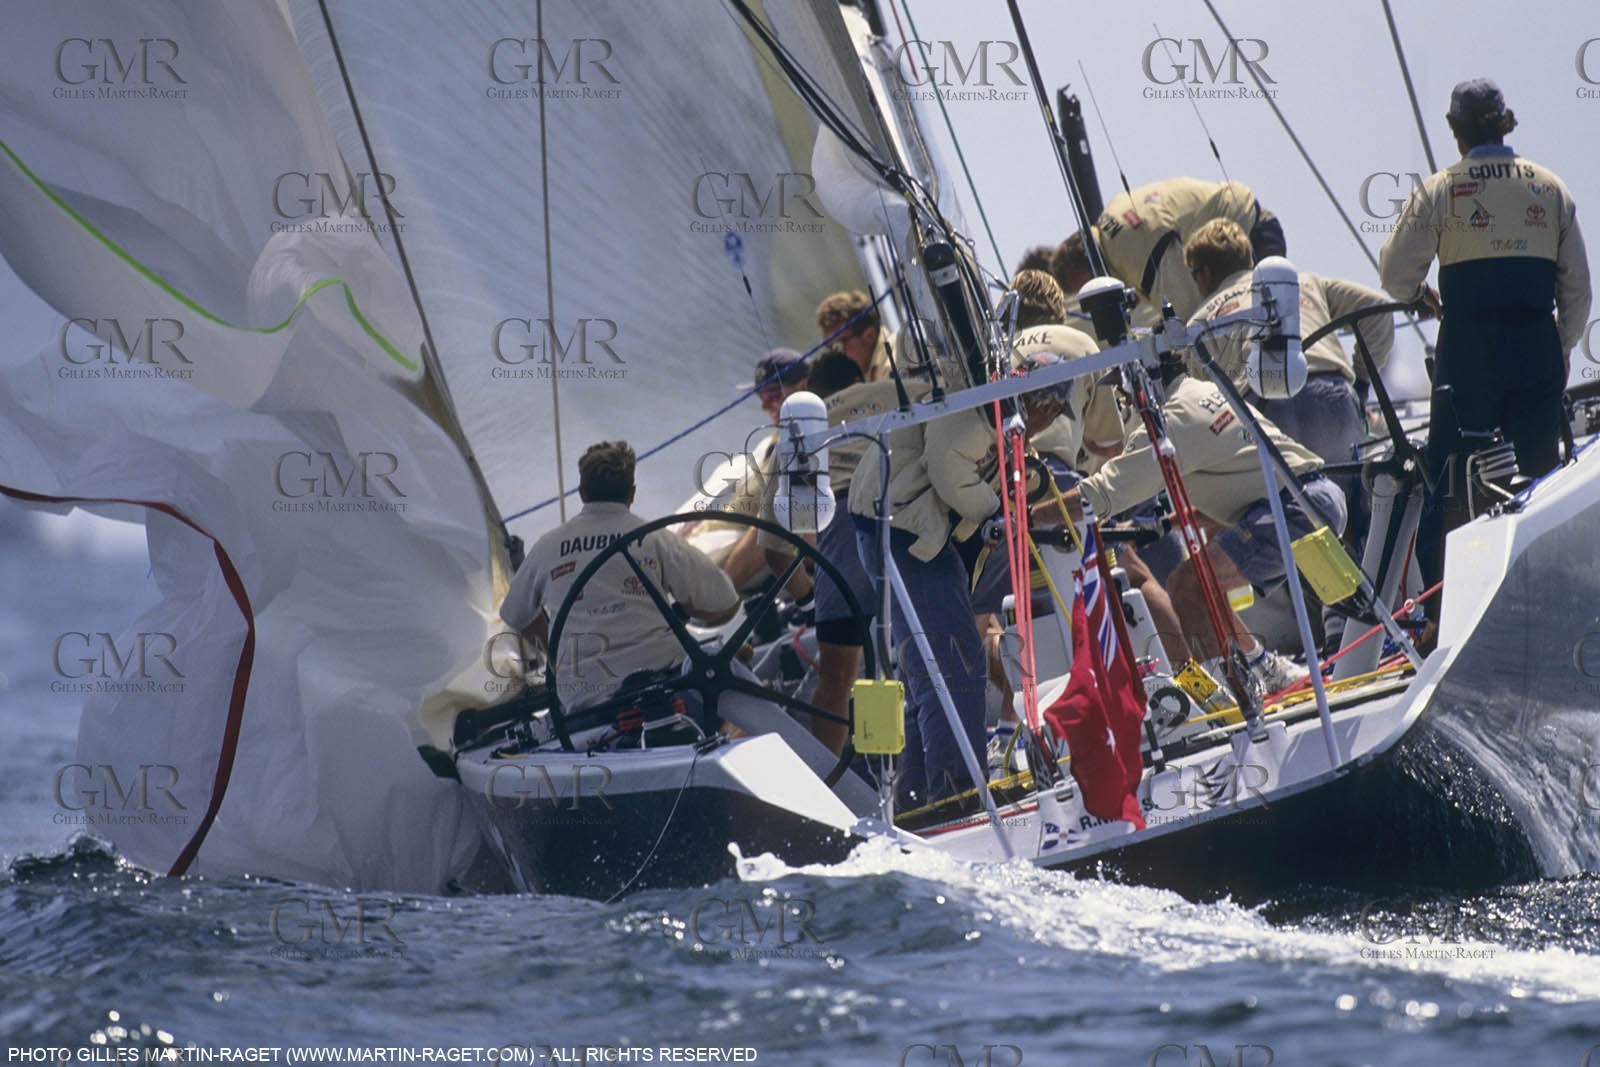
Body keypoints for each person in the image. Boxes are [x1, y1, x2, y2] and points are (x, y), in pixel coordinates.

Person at [1379, 77, 1591, 624]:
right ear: (1506, 123)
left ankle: (1442, 620)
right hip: (1534, 349)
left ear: (1455, 131)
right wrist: (1561, 346)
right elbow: (1578, 292)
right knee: (1547, 480)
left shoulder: (1442, 189)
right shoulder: (1549, 188)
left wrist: (1416, 296)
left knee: (1445, 481)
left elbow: (1394, 271)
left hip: (1468, 353)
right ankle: (1561, 607)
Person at [1052, 365, 1345, 693]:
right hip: (1313, 497)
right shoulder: (1207, 392)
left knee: (1188, 584)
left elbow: (1099, 496)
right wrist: (1162, 525)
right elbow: (1233, 498)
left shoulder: (1170, 420)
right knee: (1204, 581)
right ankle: (1262, 667)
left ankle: (1228, 698)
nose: (1125, 403)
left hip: (1291, 509)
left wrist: (1023, 518)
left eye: (1123, 393)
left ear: (1142, 388)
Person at [501, 441, 739, 711]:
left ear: (581, 492)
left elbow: (515, 614)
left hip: (584, 696)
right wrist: (680, 615)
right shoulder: (654, 538)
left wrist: (557, 657)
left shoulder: (547, 547)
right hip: (667, 680)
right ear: (632, 493)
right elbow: (725, 602)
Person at [756, 348, 901, 754]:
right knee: (912, 656)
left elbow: (778, 549)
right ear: (859, 379)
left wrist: (807, 596)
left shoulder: (797, 433)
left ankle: (844, 776)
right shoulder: (897, 392)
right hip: (905, 520)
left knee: (842, 676)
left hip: (843, 535)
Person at [1186, 218, 1394, 478]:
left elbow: (1201, 405)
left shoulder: (1199, 321)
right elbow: (1378, 311)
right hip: (1332, 398)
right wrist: (1361, 383)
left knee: (1293, 510)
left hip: (1265, 413)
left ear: (1205, 273)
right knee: (1349, 508)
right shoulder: (1304, 282)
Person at [1052, 177, 1285, 321]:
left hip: (1250, 242)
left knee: (1261, 342)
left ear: (1083, 266)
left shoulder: (1129, 253)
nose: (1096, 296)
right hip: (1250, 225)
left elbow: (1192, 314)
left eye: (1088, 288)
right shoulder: (1111, 224)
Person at [706, 349, 815, 595]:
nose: (764, 404)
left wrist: (717, 595)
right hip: (716, 533)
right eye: (760, 395)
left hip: (742, 551)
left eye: (772, 394)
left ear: (803, 386)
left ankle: (713, 599)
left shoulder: (808, 438)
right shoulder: (775, 438)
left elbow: (778, 521)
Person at [816, 290, 894, 382]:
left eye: (838, 347)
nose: (837, 358)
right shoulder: (863, 372)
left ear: (869, 336)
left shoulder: (895, 364)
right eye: (830, 350)